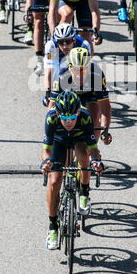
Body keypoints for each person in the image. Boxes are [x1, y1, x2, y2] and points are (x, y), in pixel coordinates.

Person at [41, 90, 104, 249]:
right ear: (58, 115)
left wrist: (95, 161)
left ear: (78, 112)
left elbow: (93, 149)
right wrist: (46, 162)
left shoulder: (85, 117)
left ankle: (84, 192)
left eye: (71, 118)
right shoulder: (51, 118)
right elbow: (45, 151)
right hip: (59, 143)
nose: (68, 122)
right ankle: (53, 227)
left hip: (79, 140)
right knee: (55, 182)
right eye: (64, 118)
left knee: (83, 155)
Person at [49, 47, 112, 144]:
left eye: (83, 70)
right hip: (69, 96)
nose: (79, 75)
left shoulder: (97, 74)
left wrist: (105, 131)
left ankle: (91, 150)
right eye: (75, 70)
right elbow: (52, 106)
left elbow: (105, 106)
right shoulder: (61, 75)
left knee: (94, 117)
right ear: (69, 67)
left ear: (89, 67)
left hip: (89, 95)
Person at [43, 22, 91, 105]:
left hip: (77, 66)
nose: (65, 46)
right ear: (57, 41)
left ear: (74, 39)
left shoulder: (84, 45)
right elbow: (48, 70)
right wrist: (48, 92)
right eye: (61, 42)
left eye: (68, 41)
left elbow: (87, 69)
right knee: (56, 74)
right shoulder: (51, 45)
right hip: (59, 64)